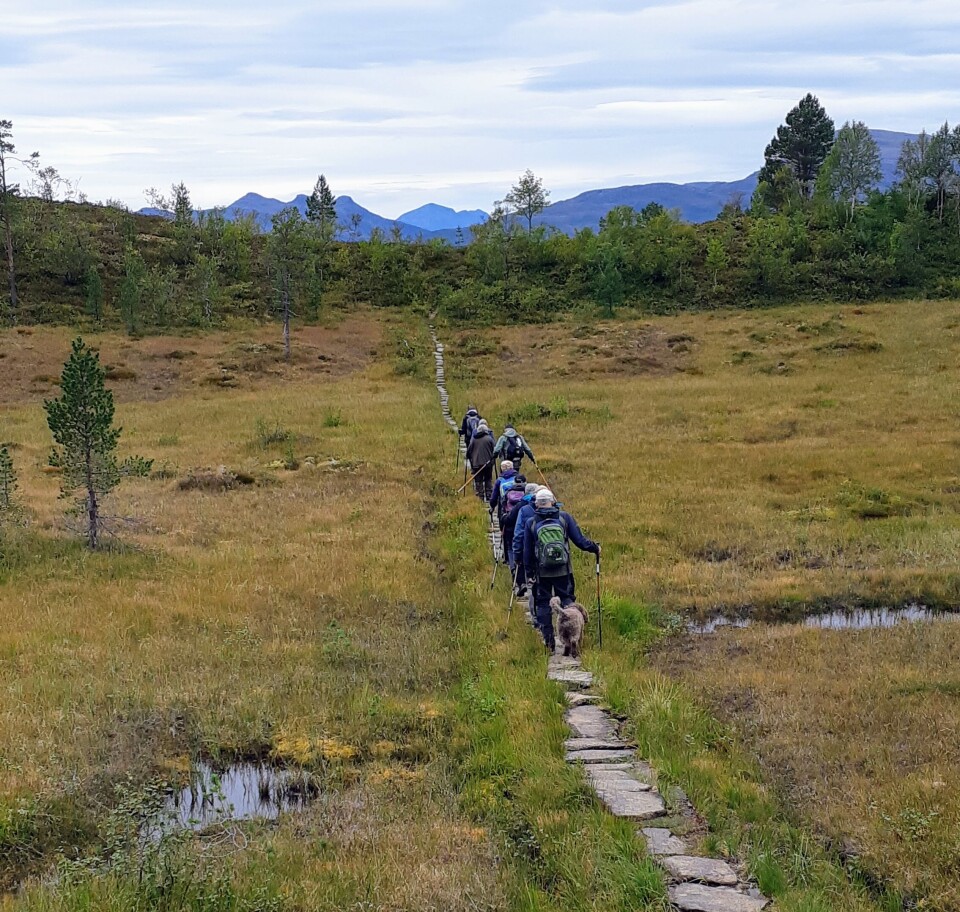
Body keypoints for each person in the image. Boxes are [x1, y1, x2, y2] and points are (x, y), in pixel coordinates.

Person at [523, 488, 600, 652]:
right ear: (553, 501)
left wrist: (529, 573)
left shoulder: (531, 522)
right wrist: (595, 548)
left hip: (541, 572)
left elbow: (527, 552)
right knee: (567, 600)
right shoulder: (564, 518)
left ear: (536, 504)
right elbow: (580, 541)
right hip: (563, 571)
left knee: (543, 603)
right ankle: (573, 637)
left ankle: (549, 641)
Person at [510, 483, 541, 599]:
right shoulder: (558, 513)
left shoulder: (524, 509)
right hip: (552, 557)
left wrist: (517, 555)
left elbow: (518, 534)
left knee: (533, 583)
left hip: (528, 549)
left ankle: (535, 614)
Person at [498, 475, 528, 570]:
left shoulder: (507, 493)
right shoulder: (527, 495)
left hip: (509, 524)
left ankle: (513, 568)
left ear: (514, 483)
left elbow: (502, 510)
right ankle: (523, 569)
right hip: (523, 525)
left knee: (510, 548)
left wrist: (501, 524)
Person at [466, 420, 495, 500]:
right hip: (488, 464)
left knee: (478, 480)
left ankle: (480, 496)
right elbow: (494, 450)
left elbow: (469, 451)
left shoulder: (474, 439)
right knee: (488, 479)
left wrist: (469, 457)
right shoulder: (489, 439)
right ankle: (489, 495)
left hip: (476, 464)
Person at [488, 460, 518, 526]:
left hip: (504, 507)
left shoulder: (499, 480)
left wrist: (492, 506)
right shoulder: (518, 478)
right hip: (518, 507)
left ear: (502, 469)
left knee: (504, 525)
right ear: (512, 467)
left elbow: (494, 497)